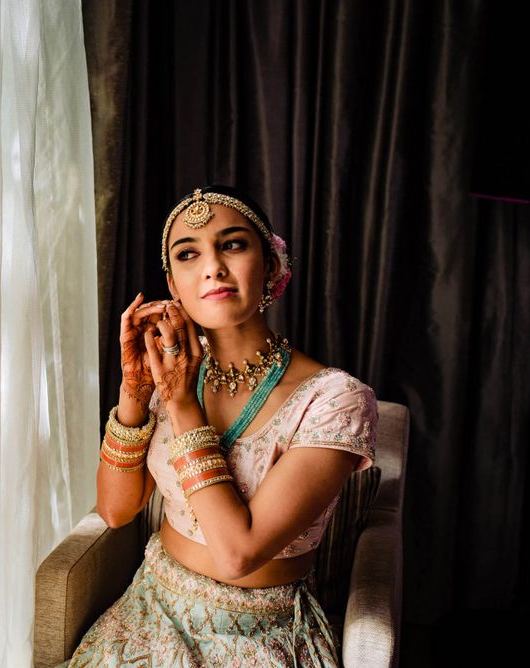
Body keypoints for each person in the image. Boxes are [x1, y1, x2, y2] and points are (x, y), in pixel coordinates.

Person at [61, 185, 378, 667]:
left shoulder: (335, 399)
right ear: (174, 285)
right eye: (188, 254)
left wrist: (182, 403)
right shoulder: (177, 372)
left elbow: (237, 555)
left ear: (270, 265)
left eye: (232, 244)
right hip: (150, 614)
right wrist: (134, 392)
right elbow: (114, 511)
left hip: (260, 636)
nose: (212, 266)